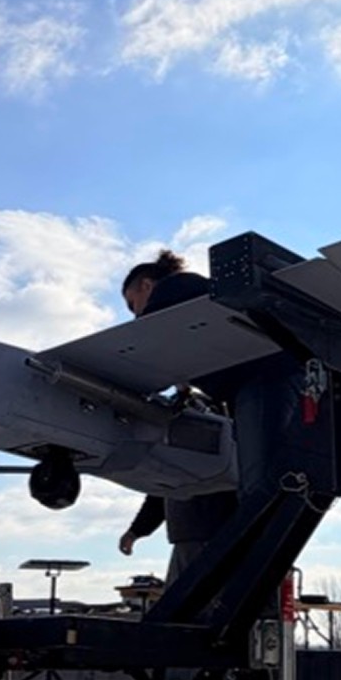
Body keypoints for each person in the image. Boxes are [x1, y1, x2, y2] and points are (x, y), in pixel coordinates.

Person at [115, 250, 237, 585]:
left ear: (146, 285)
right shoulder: (193, 410)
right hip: (195, 529)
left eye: (133, 304)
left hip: (208, 526)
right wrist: (137, 531)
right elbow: (164, 479)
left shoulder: (207, 412)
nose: (136, 316)